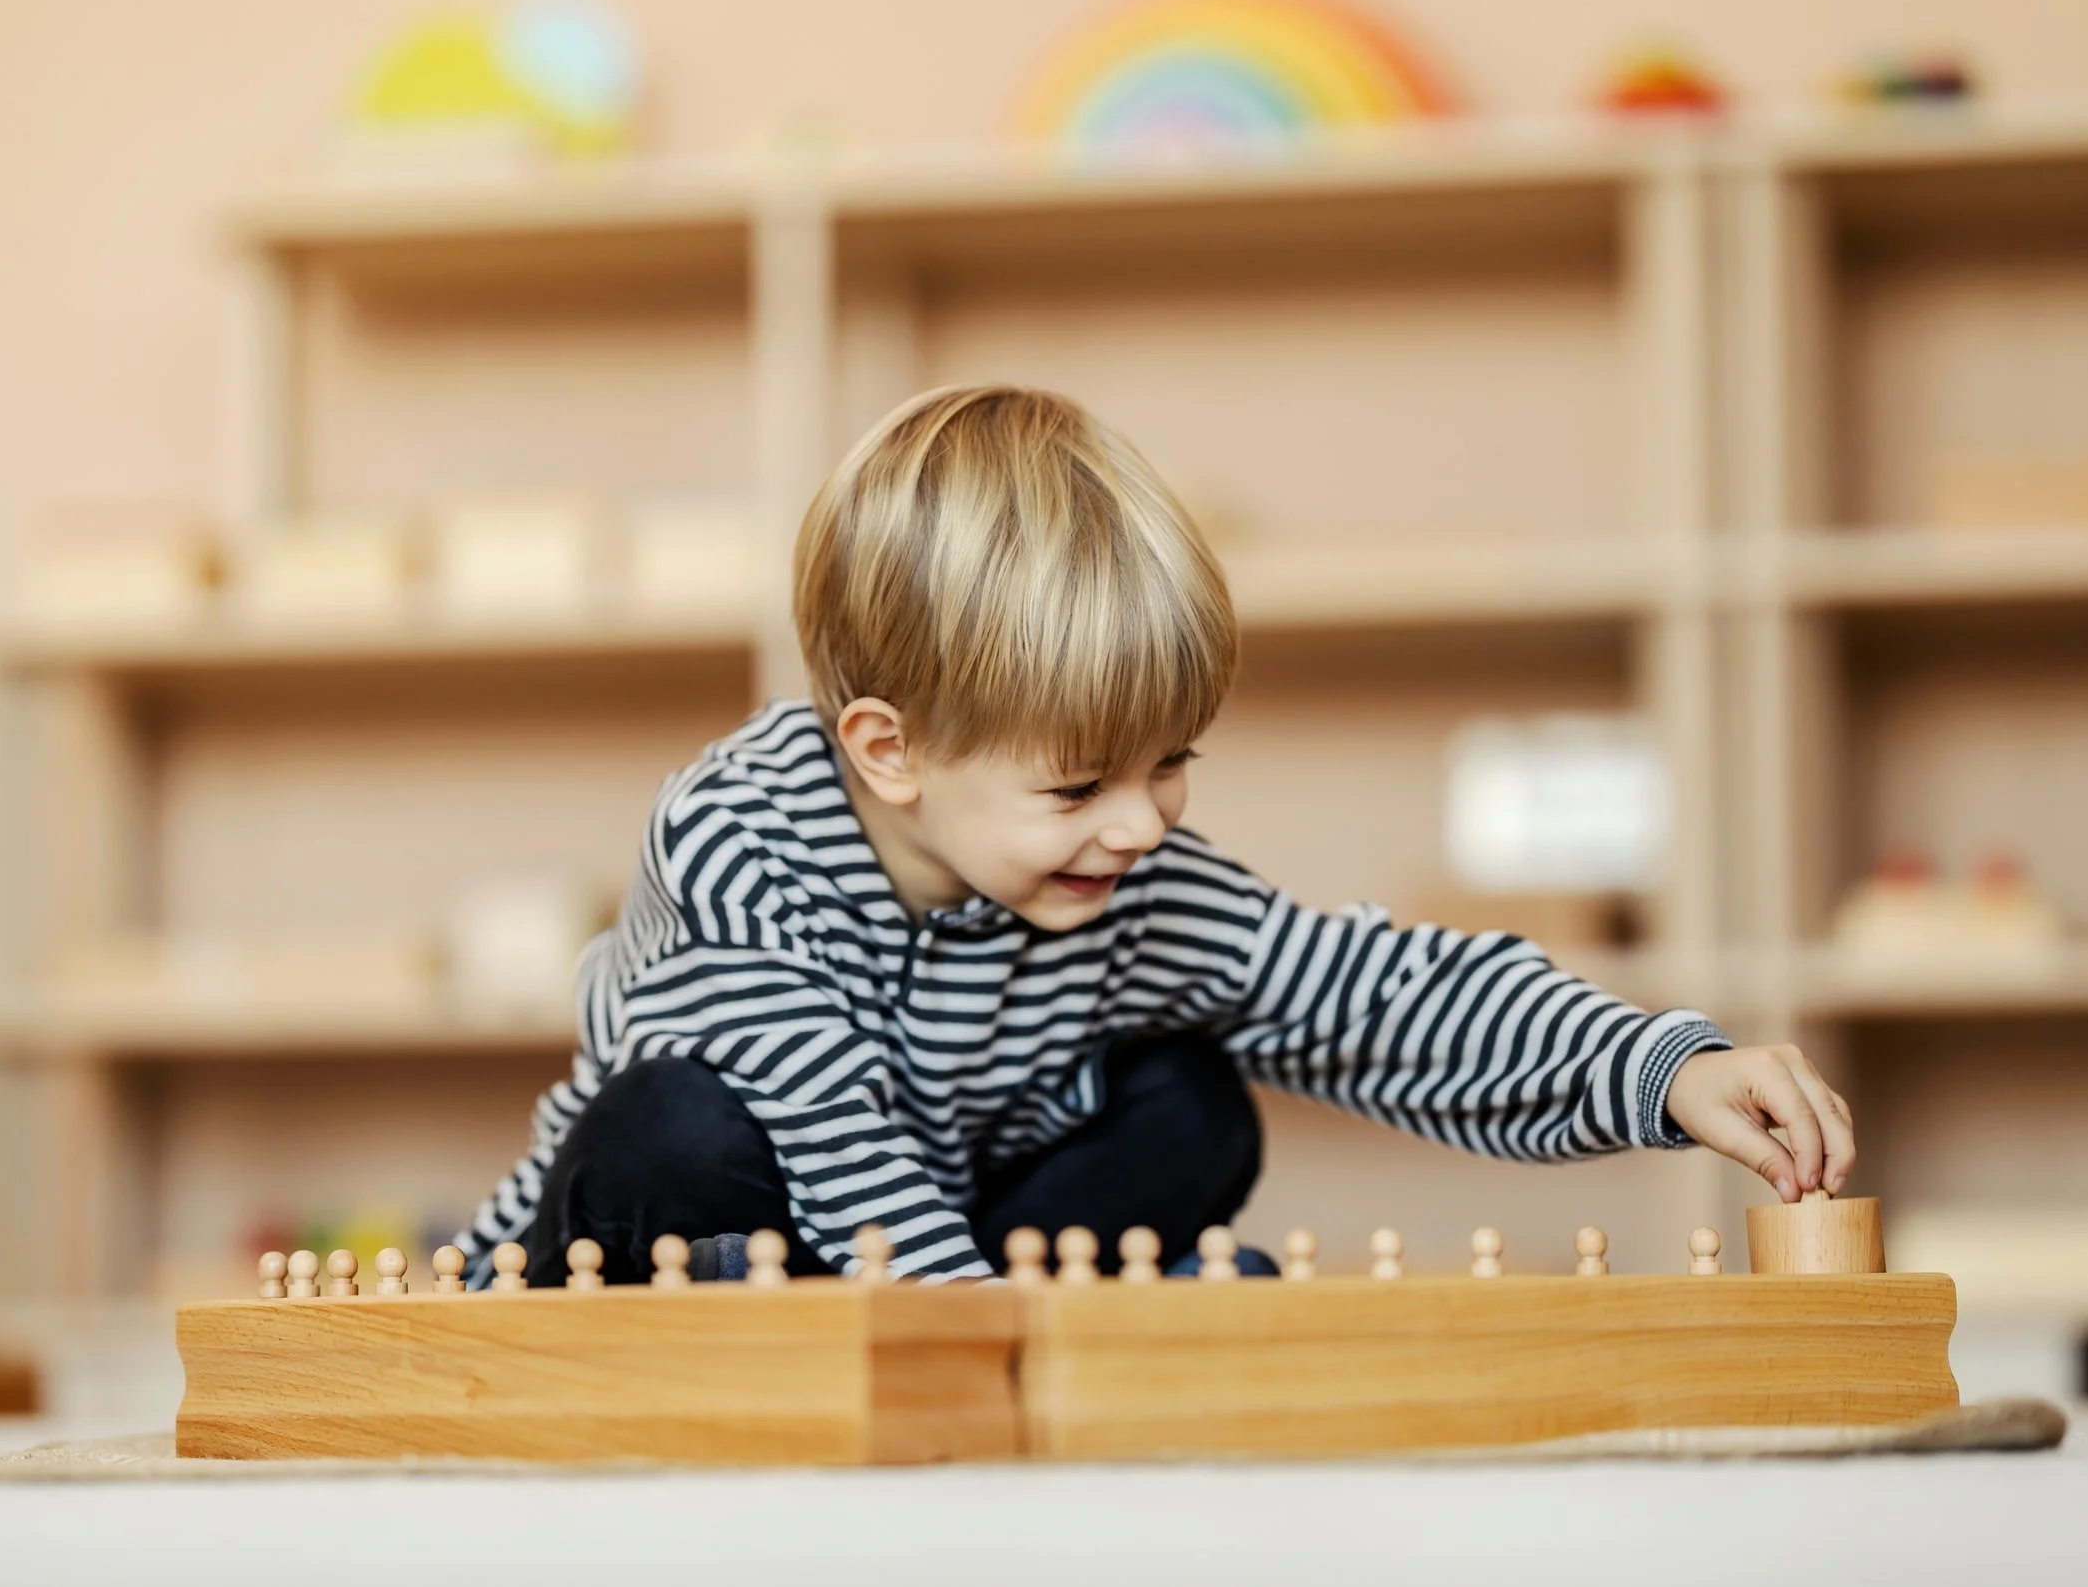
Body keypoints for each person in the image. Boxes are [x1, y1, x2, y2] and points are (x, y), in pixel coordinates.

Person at [454, 384, 1854, 1285]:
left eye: (1172, 763)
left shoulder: (1124, 876)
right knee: (679, 1124)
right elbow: (830, 1132)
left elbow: (1382, 995)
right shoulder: (739, 841)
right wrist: (971, 1346)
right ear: (890, 751)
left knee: (1188, 1098)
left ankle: (1063, 1305)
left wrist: (1664, 1068)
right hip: (690, 1234)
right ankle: (953, 1342)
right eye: (1077, 789)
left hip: (936, 1234)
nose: (1141, 823)